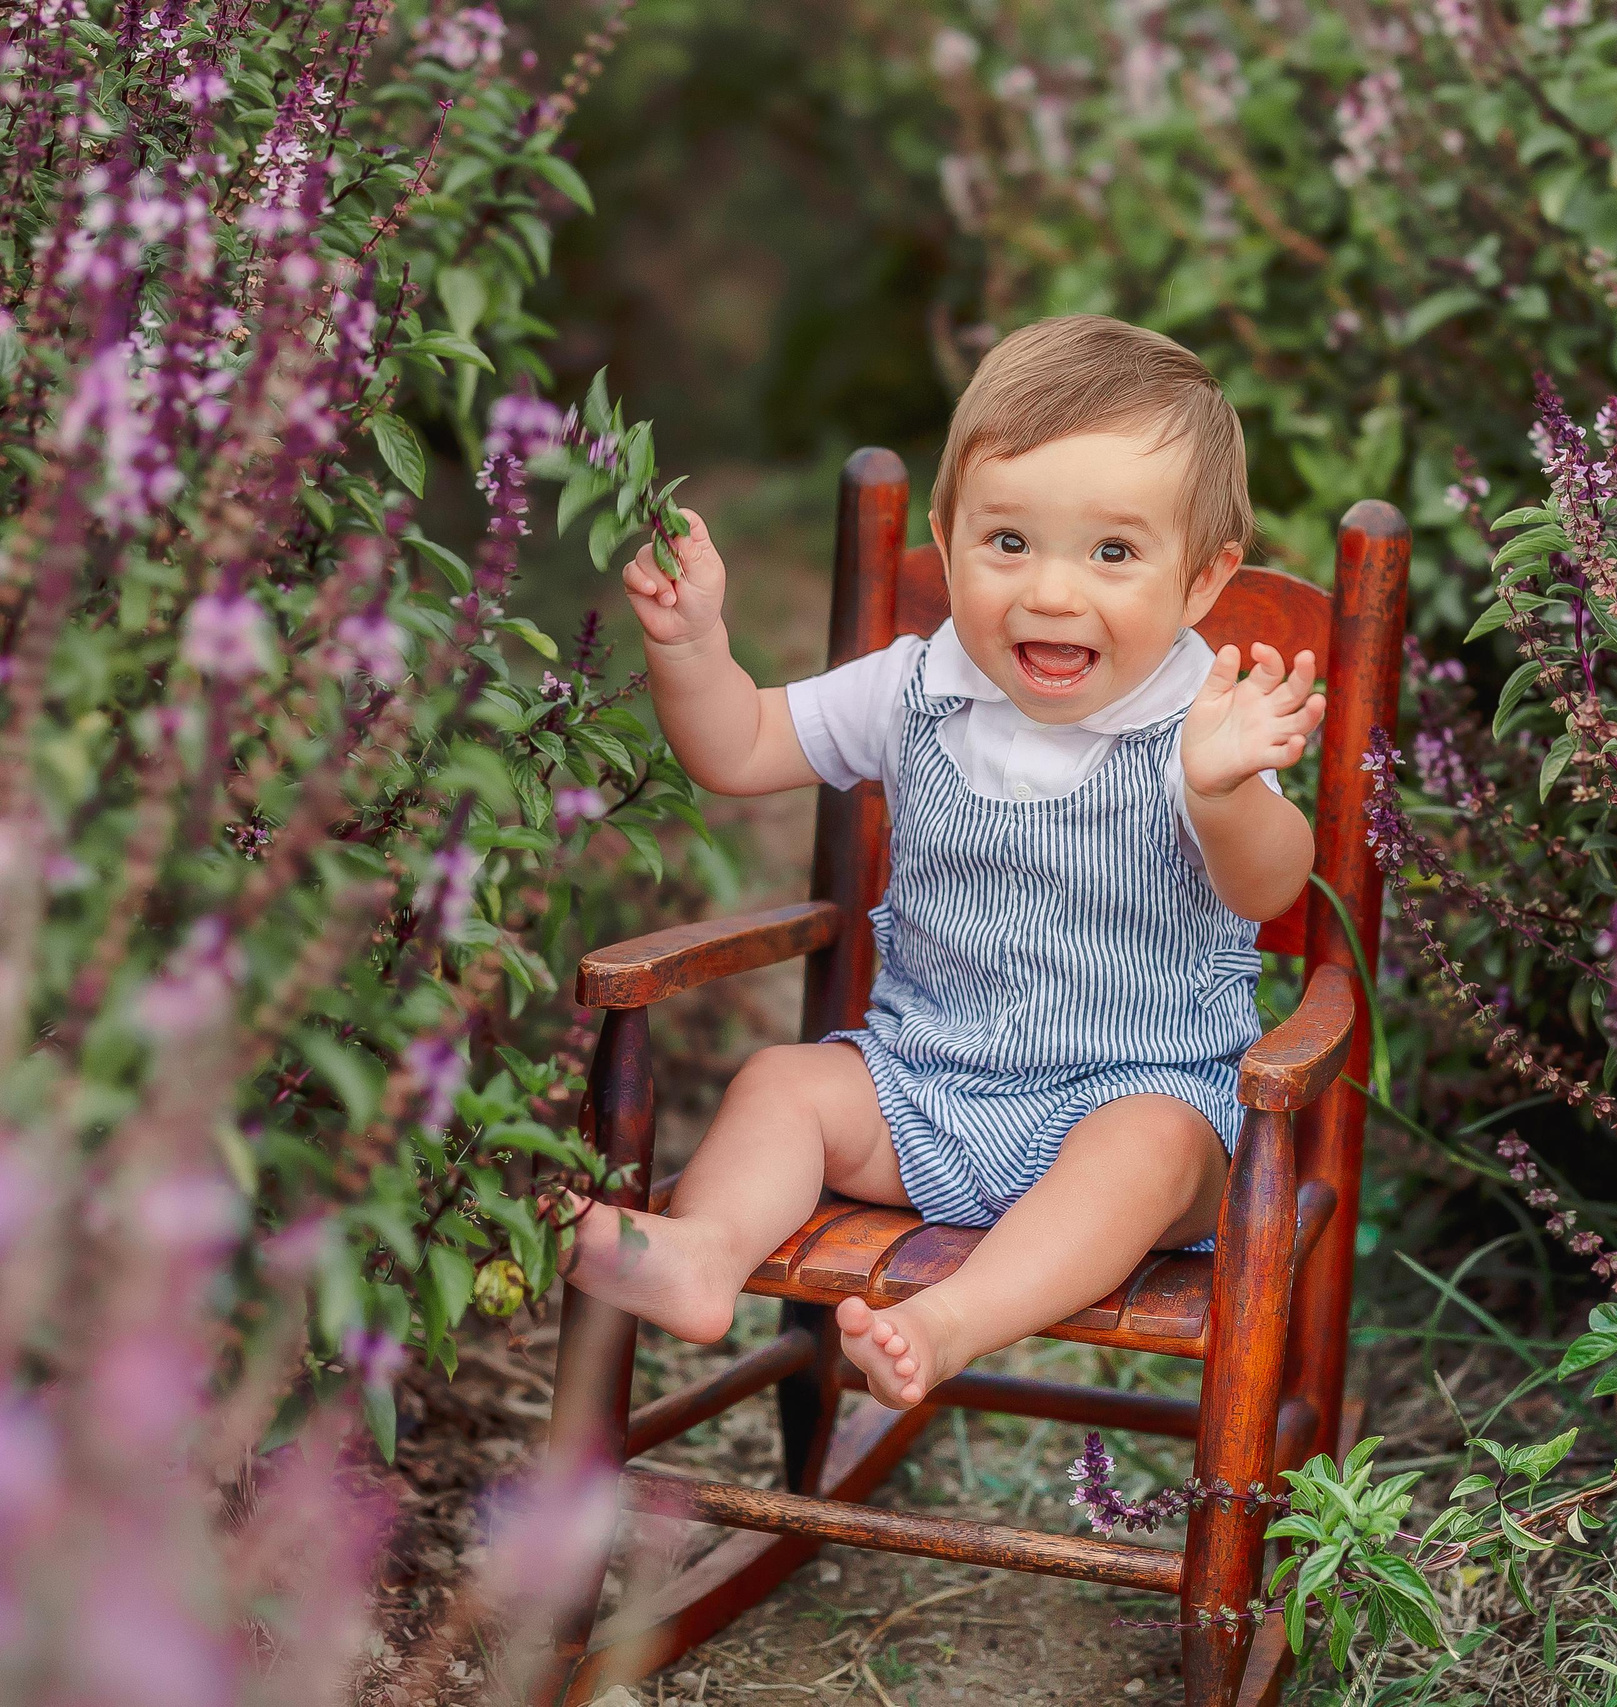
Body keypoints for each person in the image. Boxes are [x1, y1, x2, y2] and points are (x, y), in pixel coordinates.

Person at [560, 315, 1322, 1410]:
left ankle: (946, 1322)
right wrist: (692, 650)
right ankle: (700, 1257)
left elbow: (1270, 885)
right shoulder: (913, 685)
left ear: (1203, 581)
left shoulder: (1204, 725)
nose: (1051, 592)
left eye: (1112, 552)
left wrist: (1225, 790)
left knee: (1147, 1148)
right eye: (1007, 542)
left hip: (1143, 1103)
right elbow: (739, 748)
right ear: (947, 531)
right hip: (921, 1094)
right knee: (785, 1084)